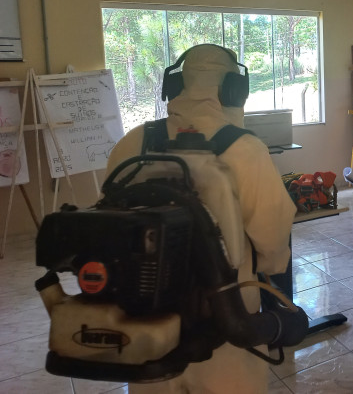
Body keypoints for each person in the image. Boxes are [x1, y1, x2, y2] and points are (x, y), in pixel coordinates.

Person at [105, 44, 297, 394]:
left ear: (176, 87)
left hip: (147, 316)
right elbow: (272, 233)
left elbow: (109, 219)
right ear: (235, 91)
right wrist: (268, 268)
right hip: (226, 313)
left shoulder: (132, 143)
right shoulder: (245, 148)